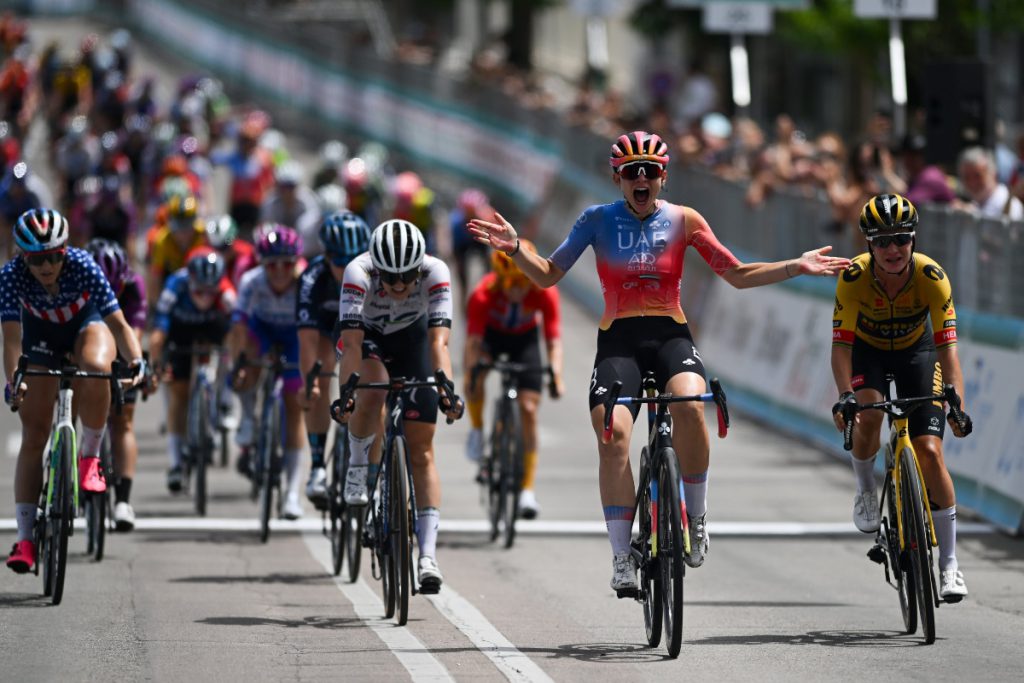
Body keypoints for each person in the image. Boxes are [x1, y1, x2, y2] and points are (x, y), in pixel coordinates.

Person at [467, 131, 850, 592]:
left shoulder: (684, 220)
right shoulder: (596, 220)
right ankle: (620, 556)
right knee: (613, 436)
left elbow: (735, 273)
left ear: (663, 177)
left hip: (671, 335)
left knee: (690, 405)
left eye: (650, 171)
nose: (641, 179)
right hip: (619, 342)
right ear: (618, 178)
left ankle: (697, 517)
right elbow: (548, 275)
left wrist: (794, 266)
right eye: (632, 172)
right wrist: (516, 250)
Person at [831, 193, 973, 602]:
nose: (892, 249)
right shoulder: (854, 278)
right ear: (868, 244)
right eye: (881, 241)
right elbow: (841, 347)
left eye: (901, 239)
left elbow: (948, 350)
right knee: (870, 416)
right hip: (868, 352)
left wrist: (956, 402)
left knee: (929, 450)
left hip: (917, 352)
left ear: (914, 239)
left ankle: (949, 565)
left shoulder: (932, 276)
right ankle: (865, 490)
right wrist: (845, 396)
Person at [3, 209, 145, 573]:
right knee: (34, 435)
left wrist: (137, 361)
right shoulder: (11, 275)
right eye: (37, 259)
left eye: (54, 257)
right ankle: (25, 540)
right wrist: (14, 382)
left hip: (87, 324)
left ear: (65, 251)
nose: (46, 266)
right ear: (22, 257)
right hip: (40, 335)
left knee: (96, 367)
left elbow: (119, 324)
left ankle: (90, 459)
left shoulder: (83, 265)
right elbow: (12, 341)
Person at [334, 219, 463, 592]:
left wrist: (447, 390)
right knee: (373, 391)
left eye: (407, 276)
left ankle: (427, 556)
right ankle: (358, 464)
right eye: (390, 277)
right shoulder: (358, 272)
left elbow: (438, 343)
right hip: (367, 338)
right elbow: (351, 344)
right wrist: (347, 394)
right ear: (377, 268)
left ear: (419, 267)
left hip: (412, 341)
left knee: (422, 451)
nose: (399, 285)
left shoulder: (436, 271)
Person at [463, 240, 564, 518]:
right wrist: (471, 375)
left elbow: (553, 340)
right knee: (475, 379)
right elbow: (473, 343)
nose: (518, 290)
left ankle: (527, 491)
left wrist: (556, 375)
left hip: (524, 340)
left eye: (524, 282)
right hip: (491, 338)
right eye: (512, 284)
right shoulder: (482, 294)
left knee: (529, 409)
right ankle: (476, 430)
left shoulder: (544, 292)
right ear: (499, 279)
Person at [229, 224, 307, 520]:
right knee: (246, 364)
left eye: (287, 264)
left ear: (296, 262)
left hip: (294, 335)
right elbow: (238, 326)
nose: (280, 271)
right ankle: (249, 418)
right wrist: (239, 363)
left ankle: (291, 493)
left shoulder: (305, 281)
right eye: (272, 265)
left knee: (294, 406)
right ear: (262, 263)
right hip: (261, 330)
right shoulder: (252, 281)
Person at [298, 210, 371, 509]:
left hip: (362, 329)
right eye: (340, 262)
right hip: (326, 330)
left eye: (354, 259)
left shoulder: (374, 273)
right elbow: (307, 339)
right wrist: (310, 383)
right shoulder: (312, 278)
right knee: (320, 371)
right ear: (326, 256)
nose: (348, 268)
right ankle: (317, 466)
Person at [149, 248, 235, 493]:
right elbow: (158, 334)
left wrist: (235, 365)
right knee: (179, 395)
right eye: (199, 291)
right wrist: (156, 364)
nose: (205, 297)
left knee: (232, 345)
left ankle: (221, 400)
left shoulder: (226, 291)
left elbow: (239, 328)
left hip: (212, 327)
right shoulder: (175, 285)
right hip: (180, 331)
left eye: (211, 292)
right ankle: (176, 463)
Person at [86, 238, 147, 530]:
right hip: (86, 340)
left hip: (122, 344)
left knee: (123, 421)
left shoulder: (134, 285)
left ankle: (123, 500)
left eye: (115, 287)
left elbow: (133, 331)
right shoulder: (78, 280)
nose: (108, 292)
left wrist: (134, 365)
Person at [956, 146, 1024, 220]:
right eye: (967, 177)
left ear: (993, 174)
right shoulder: (977, 203)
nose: (972, 183)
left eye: (978, 176)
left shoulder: (1008, 204)